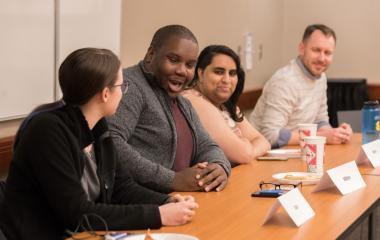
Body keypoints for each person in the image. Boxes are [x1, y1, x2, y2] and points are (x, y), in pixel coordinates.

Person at [0, 48, 198, 240]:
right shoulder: (47, 131)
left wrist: (167, 201)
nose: (123, 92)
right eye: (122, 86)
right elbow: (76, 212)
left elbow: (122, 187)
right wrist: (158, 215)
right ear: (105, 94)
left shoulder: (98, 125)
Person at [107, 25, 231, 193]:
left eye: (189, 65)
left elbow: (207, 145)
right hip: (139, 207)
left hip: (179, 203)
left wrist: (218, 167)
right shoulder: (130, 86)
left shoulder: (182, 102)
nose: (182, 71)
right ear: (151, 55)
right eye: (173, 60)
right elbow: (111, 143)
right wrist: (172, 179)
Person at [249, 24, 353, 148]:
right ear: (302, 48)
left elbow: (320, 121)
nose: (322, 58)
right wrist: (321, 137)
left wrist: (337, 134)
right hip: (265, 155)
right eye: (316, 50)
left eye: (328, 53)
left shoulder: (321, 77)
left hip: (298, 151)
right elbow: (270, 135)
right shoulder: (285, 81)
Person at [183, 45, 270, 164]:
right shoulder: (193, 100)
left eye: (232, 73)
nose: (227, 80)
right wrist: (246, 146)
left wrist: (249, 150)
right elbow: (243, 155)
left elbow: (263, 142)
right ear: (201, 73)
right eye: (219, 72)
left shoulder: (225, 105)